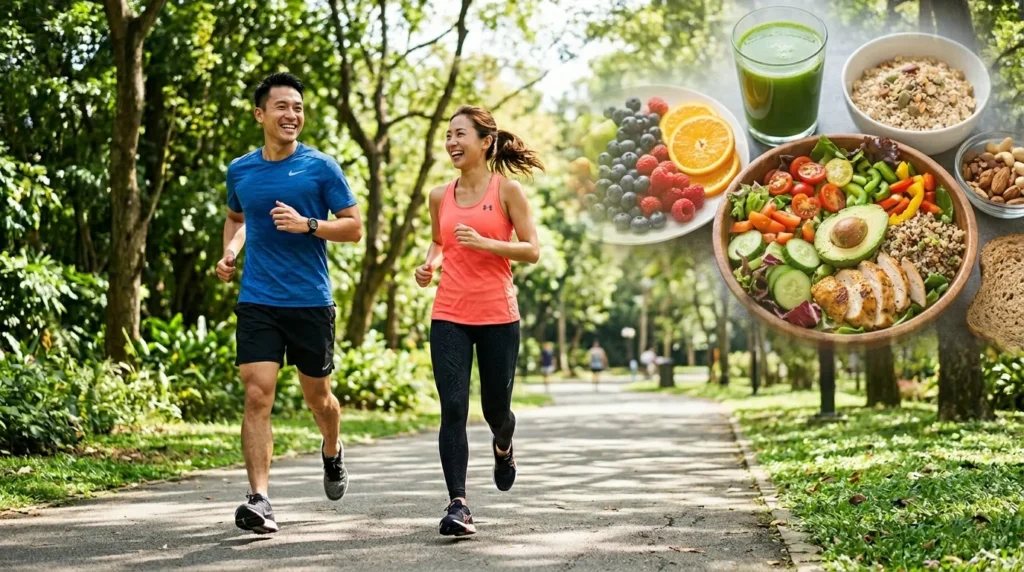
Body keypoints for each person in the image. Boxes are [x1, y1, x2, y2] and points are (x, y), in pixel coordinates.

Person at [215, 72, 363, 535]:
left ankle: (332, 449)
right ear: (260, 114)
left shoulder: (321, 167)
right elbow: (237, 217)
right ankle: (260, 500)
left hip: (309, 302)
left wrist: (310, 225)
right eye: (282, 106)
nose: (291, 115)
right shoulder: (241, 169)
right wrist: (231, 252)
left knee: (320, 400)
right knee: (257, 394)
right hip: (258, 298)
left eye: (297, 107)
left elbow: (354, 227)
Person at [414, 105, 543, 536]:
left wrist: (486, 243)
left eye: (460, 135)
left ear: (486, 142)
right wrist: (429, 265)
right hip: (449, 312)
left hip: (497, 314)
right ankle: (458, 504)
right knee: (452, 407)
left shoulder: (507, 191)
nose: (451, 143)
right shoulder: (439, 196)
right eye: (448, 136)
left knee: (495, 411)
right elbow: (438, 241)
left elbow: (531, 250)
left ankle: (503, 445)